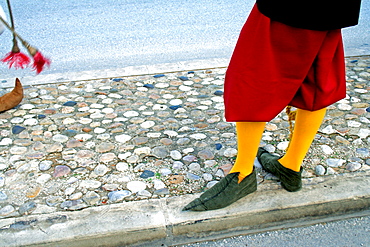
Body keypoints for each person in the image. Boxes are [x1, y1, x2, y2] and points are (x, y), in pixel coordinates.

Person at [183, 0, 362, 211]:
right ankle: (291, 167)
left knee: (252, 75)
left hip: (290, 7)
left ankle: (242, 174)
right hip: (335, 9)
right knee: (317, 78)